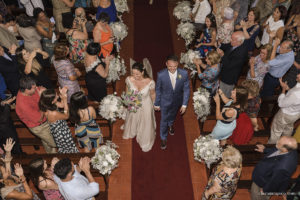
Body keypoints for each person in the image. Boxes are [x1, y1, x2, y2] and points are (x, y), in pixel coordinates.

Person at [154, 55, 190, 150]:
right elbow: (158, 90)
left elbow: (186, 89)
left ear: (177, 64)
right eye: (170, 66)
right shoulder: (161, 75)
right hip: (164, 101)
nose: (172, 68)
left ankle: (170, 124)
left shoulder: (184, 73)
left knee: (173, 114)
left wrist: (184, 104)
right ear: (166, 64)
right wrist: (157, 103)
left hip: (178, 100)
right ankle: (163, 138)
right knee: (163, 119)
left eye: (174, 66)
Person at [16, 76, 56, 153]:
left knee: (47, 140)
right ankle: (54, 154)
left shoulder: (28, 89)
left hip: (44, 119)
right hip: (39, 126)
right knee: (55, 142)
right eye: (34, 88)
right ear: (27, 90)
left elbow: (40, 89)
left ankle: (51, 154)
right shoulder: (23, 104)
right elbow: (39, 119)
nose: (36, 88)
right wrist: (42, 99)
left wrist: (44, 91)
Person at [123, 61, 156, 152]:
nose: (135, 76)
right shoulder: (129, 80)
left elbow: (153, 95)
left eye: (137, 74)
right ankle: (132, 130)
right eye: (133, 73)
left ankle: (145, 139)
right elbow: (127, 92)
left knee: (146, 121)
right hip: (134, 104)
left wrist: (155, 105)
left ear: (142, 72)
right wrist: (128, 101)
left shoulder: (150, 82)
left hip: (146, 104)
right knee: (133, 117)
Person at [39, 88, 79, 153]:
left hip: (58, 127)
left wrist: (63, 95)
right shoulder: (53, 113)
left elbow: (61, 105)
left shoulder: (47, 103)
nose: (57, 96)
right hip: (61, 132)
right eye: (56, 96)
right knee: (68, 148)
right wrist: (65, 100)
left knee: (64, 146)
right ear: (52, 101)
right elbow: (67, 116)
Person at [268, 74, 300, 144]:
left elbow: (281, 103)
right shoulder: (296, 91)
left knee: (276, 132)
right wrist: (288, 89)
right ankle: (284, 143)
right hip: (296, 114)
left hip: (285, 114)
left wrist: (283, 90)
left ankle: (271, 147)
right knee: (288, 127)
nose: (297, 75)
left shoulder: (296, 94)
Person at [217, 31, 248, 98]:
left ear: (239, 42)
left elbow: (229, 65)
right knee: (221, 90)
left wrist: (222, 55)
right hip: (224, 73)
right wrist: (219, 44)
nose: (230, 40)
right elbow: (227, 46)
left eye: (232, 39)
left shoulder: (241, 53)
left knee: (225, 95)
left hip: (229, 78)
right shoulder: (235, 44)